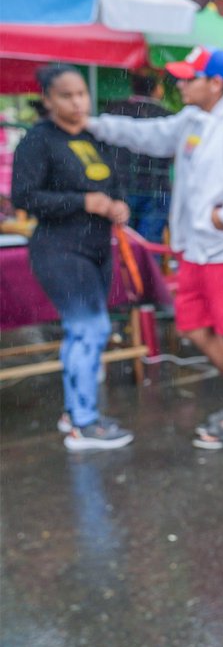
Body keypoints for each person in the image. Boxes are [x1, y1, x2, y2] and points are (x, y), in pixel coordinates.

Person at [90, 47, 223, 449]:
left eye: (188, 77)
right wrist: (92, 124)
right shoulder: (193, 119)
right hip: (196, 248)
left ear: (215, 83)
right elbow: (146, 136)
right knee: (194, 327)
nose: (179, 84)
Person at [12, 64, 134, 450]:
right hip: (59, 249)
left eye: (82, 93)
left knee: (83, 332)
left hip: (97, 249)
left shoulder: (94, 137)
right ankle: (85, 424)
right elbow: (24, 198)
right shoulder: (37, 141)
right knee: (91, 329)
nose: (78, 102)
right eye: (67, 95)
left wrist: (118, 206)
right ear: (48, 99)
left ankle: (73, 413)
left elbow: (113, 186)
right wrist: (83, 201)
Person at [103, 70, 172, 242]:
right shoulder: (167, 117)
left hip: (120, 187)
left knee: (120, 244)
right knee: (149, 247)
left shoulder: (113, 111)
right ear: (157, 89)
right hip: (157, 189)